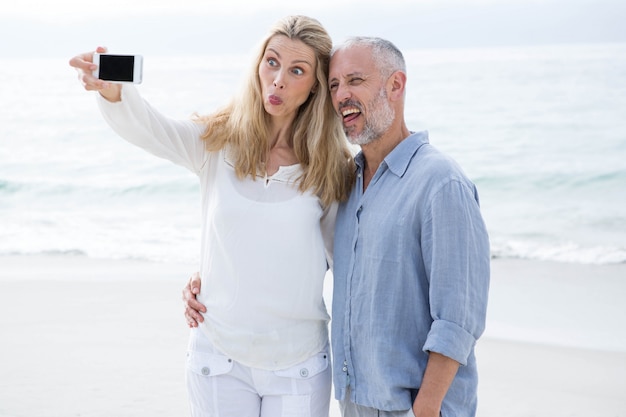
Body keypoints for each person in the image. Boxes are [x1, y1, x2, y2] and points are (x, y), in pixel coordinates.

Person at [185, 36, 490, 417]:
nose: (341, 95)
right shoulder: (344, 184)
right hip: (354, 403)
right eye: (333, 85)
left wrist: (424, 410)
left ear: (395, 85)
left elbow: (458, 320)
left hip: (413, 408)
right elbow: (289, 252)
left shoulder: (440, 183)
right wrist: (211, 276)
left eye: (355, 81)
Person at [70, 15, 355, 417]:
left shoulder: (330, 168)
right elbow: (153, 129)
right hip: (217, 357)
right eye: (271, 62)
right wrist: (115, 93)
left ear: (315, 86)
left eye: (296, 71)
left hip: (298, 363)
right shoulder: (217, 142)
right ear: (258, 64)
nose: (277, 80)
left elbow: (346, 263)